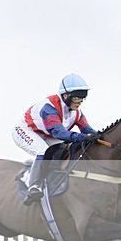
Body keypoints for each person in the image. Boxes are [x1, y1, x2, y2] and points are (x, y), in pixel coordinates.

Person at [12, 73, 98, 205]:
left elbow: (88, 131)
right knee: (43, 151)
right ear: (66, 96)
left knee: (63, 150)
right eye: (76, 98)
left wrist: (103, 137)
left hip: (47, 134)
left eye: (83, 98)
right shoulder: (49, 107)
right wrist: (83, 137)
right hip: (27, 130)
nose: (80, 102)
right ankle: (32, 185)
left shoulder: (77, 112)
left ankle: (51, 177)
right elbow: (59, 132)